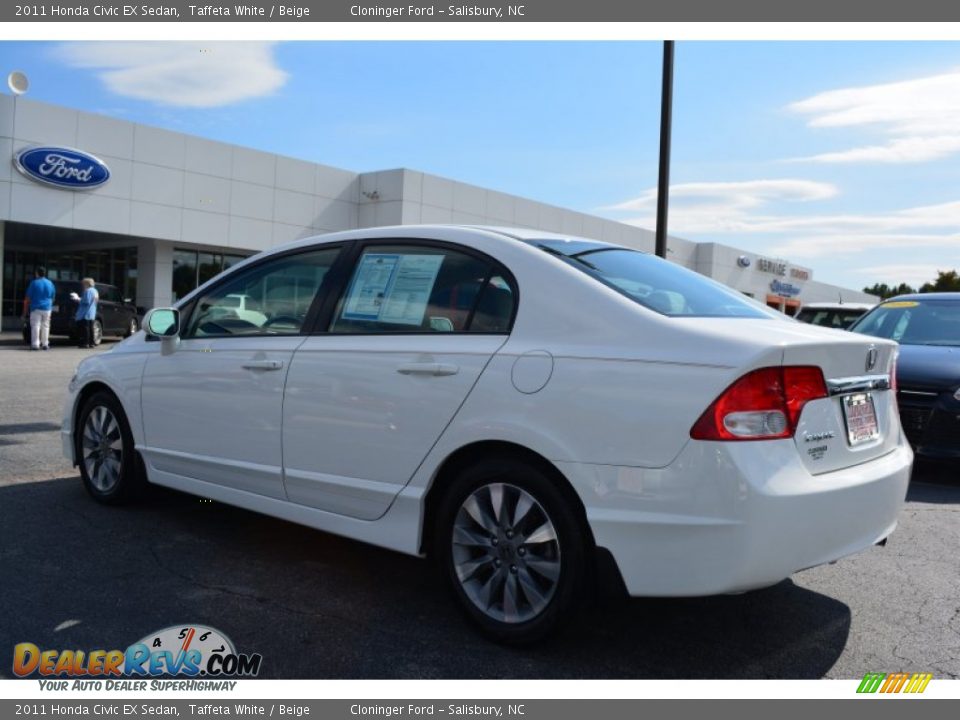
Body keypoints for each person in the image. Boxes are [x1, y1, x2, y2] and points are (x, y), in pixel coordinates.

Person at [22, 267, 56, 351]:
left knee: (35, 326)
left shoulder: (34, 283)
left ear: (37, 273)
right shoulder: (50, 283)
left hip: (36, 307)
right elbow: (53, 296)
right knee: (46, 326)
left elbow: (28, 297)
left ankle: (35, 344)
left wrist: (24, 311)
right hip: (47, 308)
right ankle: (45, 344)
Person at [76, 277, 99, 348]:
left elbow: (86, 302)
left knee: (85, 329)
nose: (82, 285)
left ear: (87, 284)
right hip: (92, 312)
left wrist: (78, 299)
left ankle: (85, 343)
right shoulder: (95, 291)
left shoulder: (88, 291)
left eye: (83, 283)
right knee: (91, 328)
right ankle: (92, 343)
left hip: (85, 312)